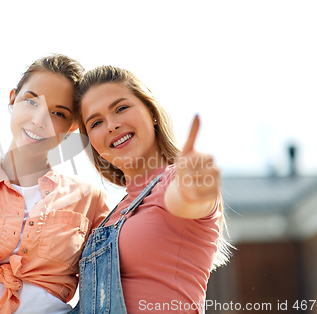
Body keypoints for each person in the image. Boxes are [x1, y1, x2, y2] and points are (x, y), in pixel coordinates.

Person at [0, 54, 110, 314]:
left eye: (57, 113)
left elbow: (118, 267)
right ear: (13, 99)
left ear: (71, 126)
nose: (39, 120)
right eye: (31, 101)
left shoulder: (88, 199)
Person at [70, 65, 232, 314]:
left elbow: (185, 198)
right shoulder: (108, 219)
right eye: (96, 122)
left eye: (121, 108)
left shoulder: (175, 180)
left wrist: (193, 187)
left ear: (152, 112)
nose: (111, 125)